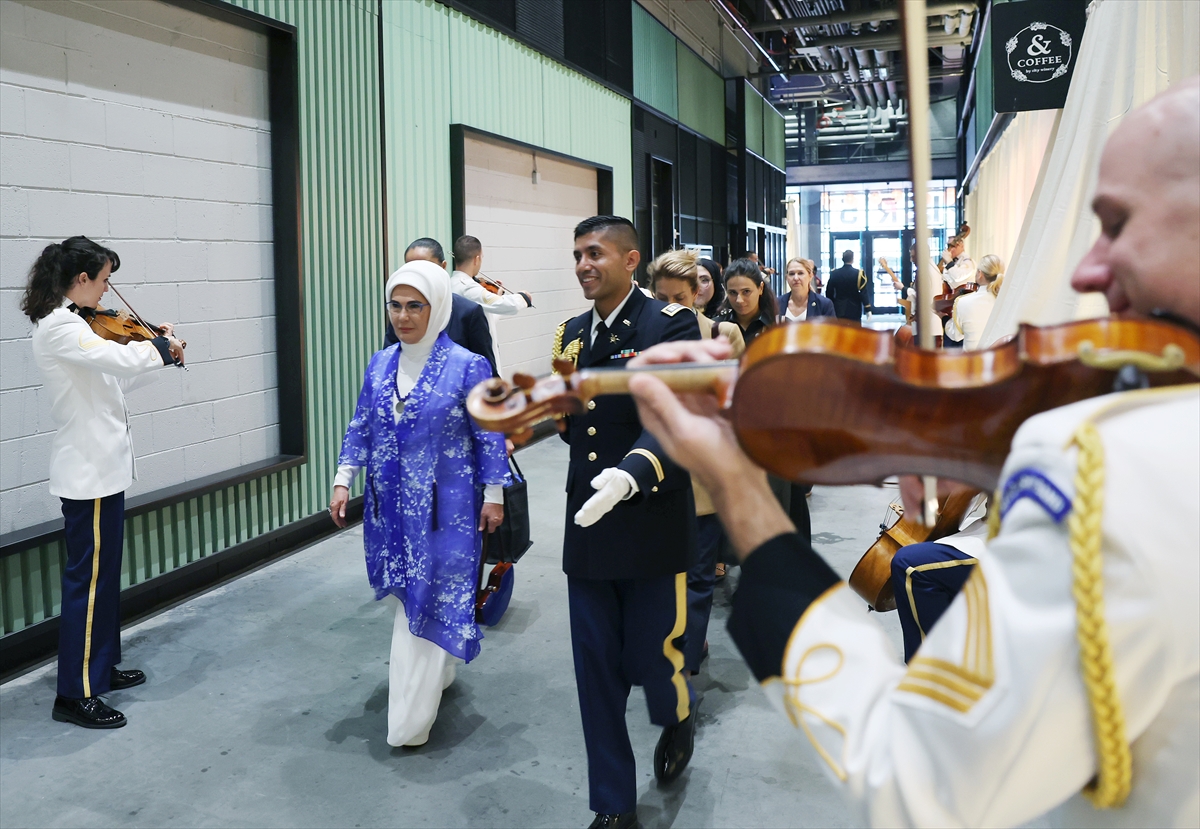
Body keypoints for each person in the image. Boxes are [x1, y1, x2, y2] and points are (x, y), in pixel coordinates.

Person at [623, 78, 1200, 827]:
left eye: (1117, 224)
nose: (1088, 268)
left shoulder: (1102, 467)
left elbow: (912, 777)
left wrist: (737, 486)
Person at [553, 216, 701, 829]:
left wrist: (631, 473)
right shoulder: (570, 334)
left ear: (631, 259)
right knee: (595, 672)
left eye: (596, 253)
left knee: (650, 661)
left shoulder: (670, 324)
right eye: (578, 255)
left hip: (647, 520)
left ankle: (677, 716)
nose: (585, 265)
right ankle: (614, 803)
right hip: (588, 526)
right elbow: (572, 419)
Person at [330, 259, 509, 748]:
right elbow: (361, 423)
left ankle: (408, 722)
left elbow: (489, 433)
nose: (403, 316)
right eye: (396, 304)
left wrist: (494, 495)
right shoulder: (381, 362)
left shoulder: (467, 366)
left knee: (427, 598)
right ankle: (442, 664)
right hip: (391, 509)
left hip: (447, 510)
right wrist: (344, 478)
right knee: (411, 592)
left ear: (439, 307)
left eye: (416, 305)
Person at [22, 236, 185, 729]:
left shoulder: (81, 329)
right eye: (105, 278)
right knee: (87, 586)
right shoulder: (60, 328)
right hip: (87, 475)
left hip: (104, 473)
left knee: (103, 580)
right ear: (82, 279)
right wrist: (156, 346)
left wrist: (162, 354)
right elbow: (118, 361)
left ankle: (100, 670)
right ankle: (74, 693)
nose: (108, 289)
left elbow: (118, 378)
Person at [647, 249, 744, 681]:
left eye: (679, 298)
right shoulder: (640, 337)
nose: (669, 306)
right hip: (653, 478)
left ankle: (683, 669)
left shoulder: (722, 336)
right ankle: (669, 645)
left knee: (699, 579)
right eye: (660, 296)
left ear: (698, 296)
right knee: (661, 576)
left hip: (703, 477)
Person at [384, 238, 498, 376]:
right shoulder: (402, 312)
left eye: (426, 267)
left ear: (443, 267)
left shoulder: (468, 312)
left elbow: (487, 375)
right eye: (410, 267)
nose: (418, 274)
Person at [450, 234, 533, 375]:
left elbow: (487, 319)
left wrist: (497, 295)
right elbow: (507, 305)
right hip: (474, 358)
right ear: (477, 259)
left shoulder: (451, 283)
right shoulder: (467, 287)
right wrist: (523, 297)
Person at [945, 254, 1004, 350]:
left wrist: (944, 318)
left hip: (973, 361)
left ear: (980, 273)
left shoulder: (963, 302)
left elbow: (956, 335)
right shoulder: (1006, 301)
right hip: (1001, 360)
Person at [715, 258, 778, 347]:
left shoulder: (780, 325)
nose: (739, 300)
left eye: (746, 291)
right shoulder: (716, 327)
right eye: (733, 293)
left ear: (760, 288)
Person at [780, 257, 835, 322]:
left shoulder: (824, 304)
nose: (796, 278)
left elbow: (833, 331)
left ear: (810, 276)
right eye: (791, 274)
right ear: (786, 278)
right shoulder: (776, 304)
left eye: (800, 273)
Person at [826, 250, 871, 322]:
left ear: (842, 259)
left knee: (840, 331)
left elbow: (829, 292)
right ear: (852, 259)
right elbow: (863, 293)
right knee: (855, 331)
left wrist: (832, 304)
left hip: (839, 307)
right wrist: (867, 308)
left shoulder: (835, 273)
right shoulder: (858, 274)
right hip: (855, 308)